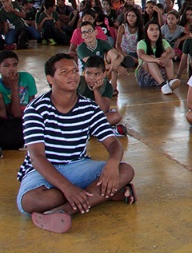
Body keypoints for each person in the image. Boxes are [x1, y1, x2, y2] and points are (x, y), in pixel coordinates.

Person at [16, 53, 135, 233]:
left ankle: (65, 211)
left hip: (78, 165)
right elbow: (37, 157)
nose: (72, 75)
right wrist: (68, 188)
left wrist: (112, 163)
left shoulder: (89, 108)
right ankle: (104, 194)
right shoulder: (36, 109)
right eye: (64, 72)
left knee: (125, 170)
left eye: (74, 70)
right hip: (42, 169)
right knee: (30, 201)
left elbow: (112, 143)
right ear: (50, 79)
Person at [79, 56, 126, 135]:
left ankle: (85, 130)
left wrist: (96, 90)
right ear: (84, 72)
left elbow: (103, 110)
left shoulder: (107, 86)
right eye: (88, 73)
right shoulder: (79, 82)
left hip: (91, 119)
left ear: (104, 74)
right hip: (75, 117)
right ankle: (101, 130)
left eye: (97, 74)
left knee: (115, 116)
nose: (92, 78)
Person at [136, 21, 180, 94]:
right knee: (150, 58)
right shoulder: (142, 43)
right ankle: (162, 85)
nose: (155, 32)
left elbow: (172, 52)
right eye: (151, 29)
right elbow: (141, 55)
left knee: (166, 55)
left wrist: (165, 57)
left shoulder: (163, 42)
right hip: (145, 77)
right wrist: (155, 60)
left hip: (160, 74)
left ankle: (170, 81)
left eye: (157, 29)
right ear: (146, 32)